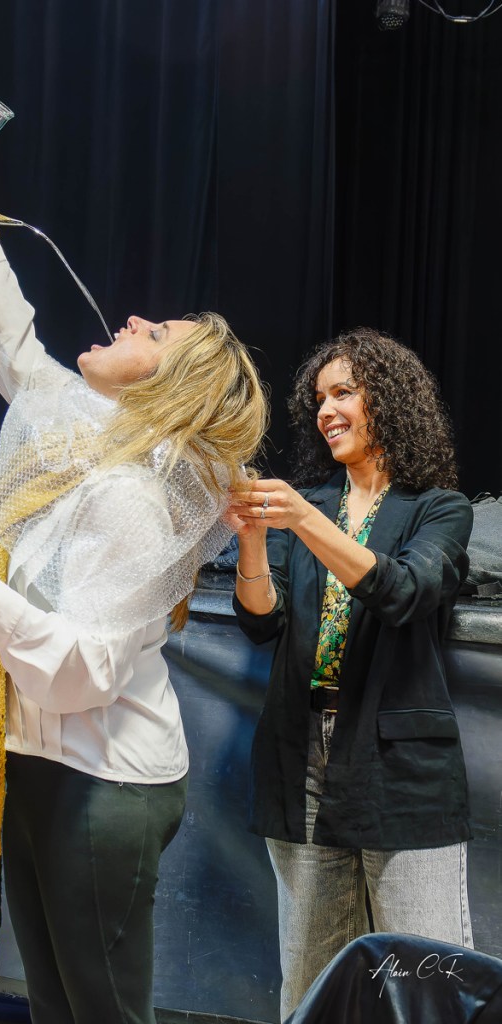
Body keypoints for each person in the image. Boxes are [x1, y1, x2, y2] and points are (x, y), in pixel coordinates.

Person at [0, 130, 268, 1024]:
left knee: (102, 1012)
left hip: (105, 782)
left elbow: (82, 674)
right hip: (39, 761)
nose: (131, 320)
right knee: (54, 1005)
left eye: (153, 334)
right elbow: (17, 355)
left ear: (169, 388)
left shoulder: (130, 498)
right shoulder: (89, 449)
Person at [227, 328, 474, 1021]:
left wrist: (302, 519)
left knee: (425, 984)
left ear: (387, 401)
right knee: (311, 984)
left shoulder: (437, 508)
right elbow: (262, 621)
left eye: (343, 393)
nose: (325, 411)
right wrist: (253, 539)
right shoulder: (312, 505)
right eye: (318, 399)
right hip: (301, 754)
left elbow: (402, 591)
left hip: (400, 769)